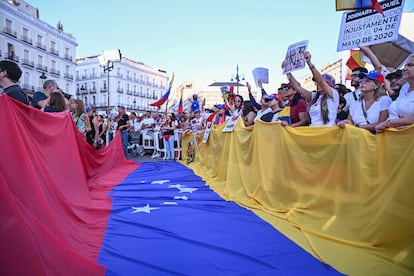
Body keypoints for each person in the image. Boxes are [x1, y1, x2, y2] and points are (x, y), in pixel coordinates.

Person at [287, 52, 339, 126]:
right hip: (313, 131)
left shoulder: (333, 94)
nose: (317, 84)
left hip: (327, 131)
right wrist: (288, 72)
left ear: (329, 85)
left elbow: (320, 81)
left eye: (319, 82)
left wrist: (309, 63)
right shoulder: (315, 96)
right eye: (316, 82)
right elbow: (297, 87)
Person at [376, 54, 414, 133]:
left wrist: (389, 123)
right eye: (405, 65)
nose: (404, 69)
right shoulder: (405, 88)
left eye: (410, 65)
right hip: (399, 137)